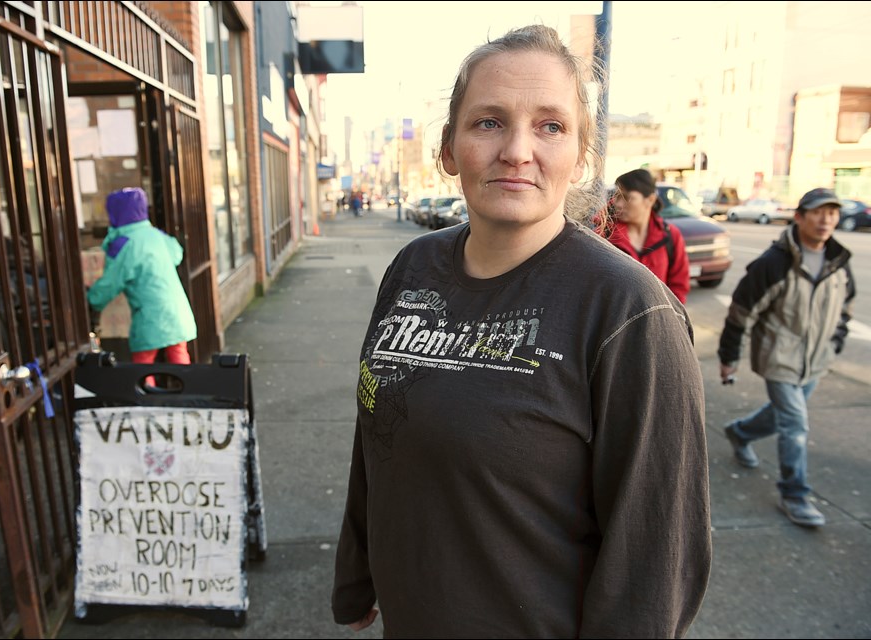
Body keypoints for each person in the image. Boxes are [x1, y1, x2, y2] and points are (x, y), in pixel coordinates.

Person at [331, 25, 711, 638]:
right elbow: (378, 430)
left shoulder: (629, 312)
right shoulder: (412, 267)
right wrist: (355, 574)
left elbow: (656, 556)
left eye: (550, 126)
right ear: (449, 149)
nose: (516, 149)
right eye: (488, 122)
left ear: (581, 155)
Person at [718, 187, 855, 528]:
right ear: (800, 217)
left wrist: (834, 343)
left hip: (815, 360)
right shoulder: (774, 263)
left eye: (832, 213)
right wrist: (729, 356)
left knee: (781, 416)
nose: (826, 220)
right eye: (818, 212)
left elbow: (845, 308)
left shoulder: (839, 260)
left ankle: (741, 433)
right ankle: (794, 494)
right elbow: (741, 312)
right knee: (795, 423)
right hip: (779, 359)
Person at [87, 187, 197, 368]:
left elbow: (111, 283)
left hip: (150, 316)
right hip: (177, 311)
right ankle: (189, 392)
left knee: (143, 365)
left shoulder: (125, 244)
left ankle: (147, 395)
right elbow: (177, 254)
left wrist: (91, 299)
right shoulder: (155, 235)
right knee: (180, 358)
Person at [598, 168, 691, 303]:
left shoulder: (670, 235)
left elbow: (679, 286)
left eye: (626, 197)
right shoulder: (604, 234)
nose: (618, 204)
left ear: (650, 200)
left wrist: (670, 319)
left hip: (658, 320)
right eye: (617, 196)